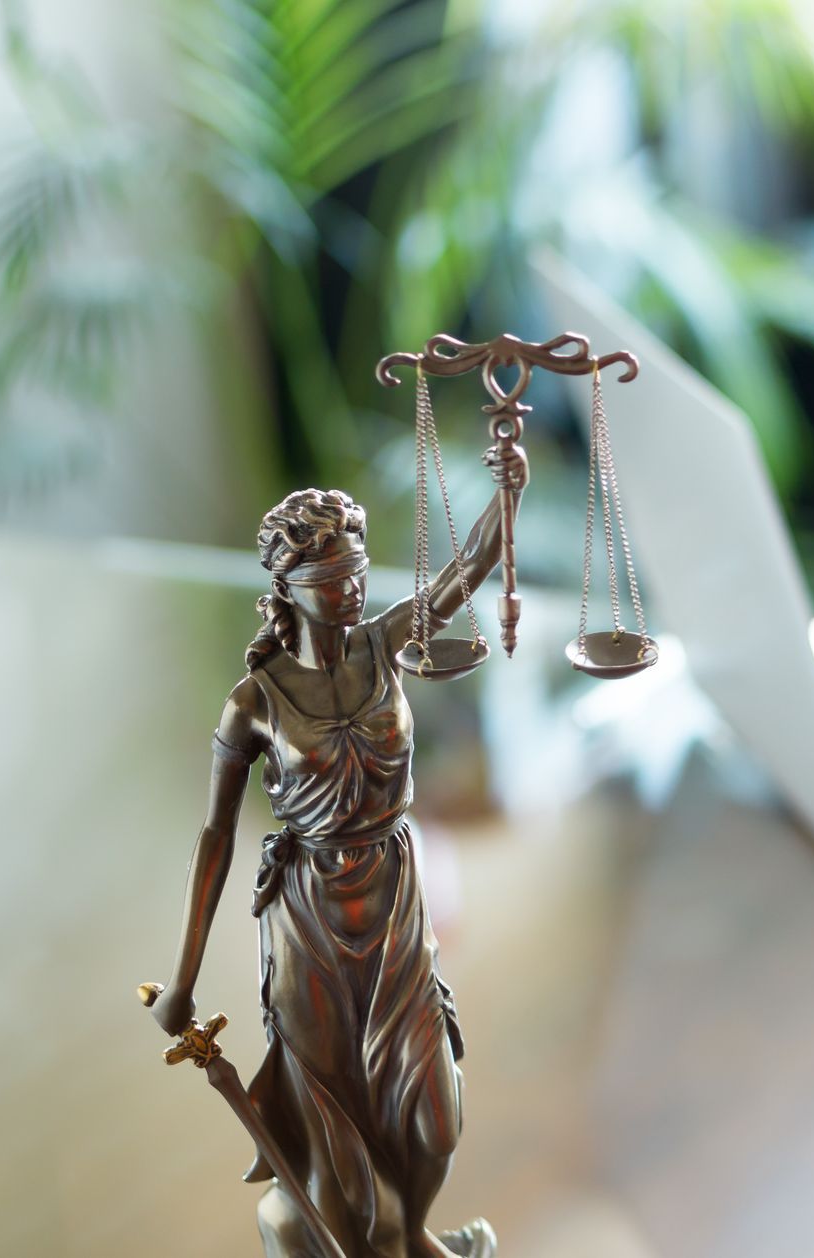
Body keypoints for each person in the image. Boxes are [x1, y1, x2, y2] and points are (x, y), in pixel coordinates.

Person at [149, 442, 525, 1257]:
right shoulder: (254, 702)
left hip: (394, 899)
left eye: (358, 573)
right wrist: (182, 981)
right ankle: (366, 1239)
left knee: (433, 1117)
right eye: (332, 582)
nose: (353, 591)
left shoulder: (383, 644)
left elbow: (471, 563)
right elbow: (214, 835)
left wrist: (507, 484)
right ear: (287, 590)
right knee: (342, 1171)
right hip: (309, 922)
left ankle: (417, 1233)